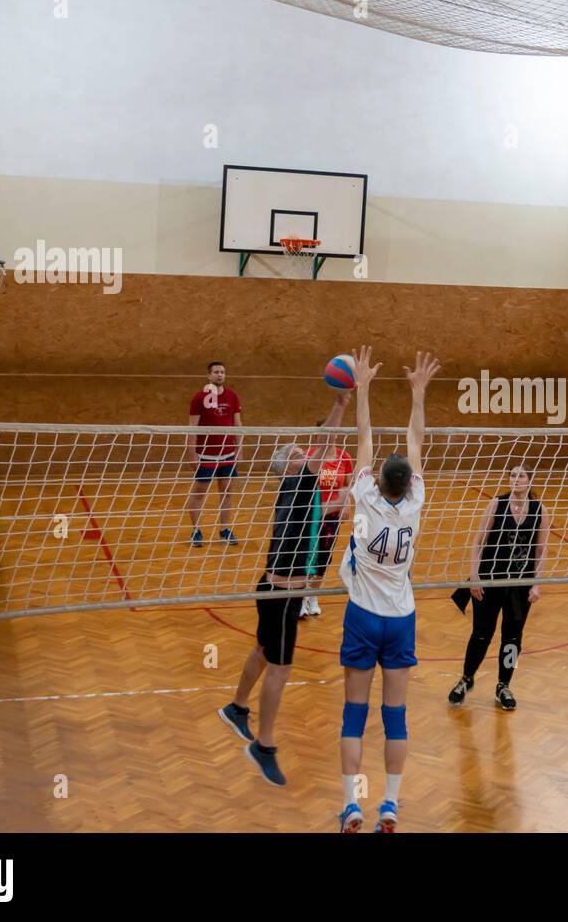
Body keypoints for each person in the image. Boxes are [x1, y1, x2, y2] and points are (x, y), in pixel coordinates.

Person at [216, 391, 351, 787]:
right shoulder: (299, 482)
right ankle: (265, 745)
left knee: (261, 649)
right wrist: (340, 406)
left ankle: (237, 707)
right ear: (290, 466)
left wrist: (345, 496)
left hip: (276, 590)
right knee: (281, 666)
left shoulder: (298, 493)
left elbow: (326, 507)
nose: (305, 453)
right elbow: (324, 444)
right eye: (297, 453)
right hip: (280, 594)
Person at [337, 346, 441, 833]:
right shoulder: (416, 500)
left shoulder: (362, 495)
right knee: (394, 717)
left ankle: (351, 805)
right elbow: (415, 439)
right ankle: (390, 806)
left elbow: (363, 437)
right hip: (401, 618)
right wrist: (418, 393)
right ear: (406, 484)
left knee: (354, 715)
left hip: (362, 614)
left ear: (377, 481)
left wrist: (363, 389)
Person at [448, 463, 549, 711]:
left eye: (521, 475)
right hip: (489, 580)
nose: (515, 479)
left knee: (513, 639)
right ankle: (466, 679)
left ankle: (504, 685)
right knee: (481, 635)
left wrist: (536, 583)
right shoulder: (497, 504)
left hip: (519, 585)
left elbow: (540, 551)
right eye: (512, 475)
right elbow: (477, 541)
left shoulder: (540, 510)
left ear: (530, 480)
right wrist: (475, 577)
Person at [186, 361, 243, 548]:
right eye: (216, 372)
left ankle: (225, 530)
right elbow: (192, 428)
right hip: (206, 456)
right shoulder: (198, 398)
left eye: (223, 372)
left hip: (227, 455)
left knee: (227, 493)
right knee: (199, 495)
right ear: (208, 376)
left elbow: (237, 425)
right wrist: (192, 453)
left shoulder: (233, 396)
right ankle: (196, 531)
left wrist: (239, 449)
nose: (220, 375)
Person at [301, 420, 354, 618]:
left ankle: (313, 596)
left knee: (324, 557)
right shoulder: (310, 456)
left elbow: (348, 485)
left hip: (332, 517)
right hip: (310, 515)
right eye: (324, 433)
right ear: (317, 436)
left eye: (333, 433)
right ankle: (300, 597)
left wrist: (346, 503)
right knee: (307, 556)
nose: (329, 437)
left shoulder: (344, 457)